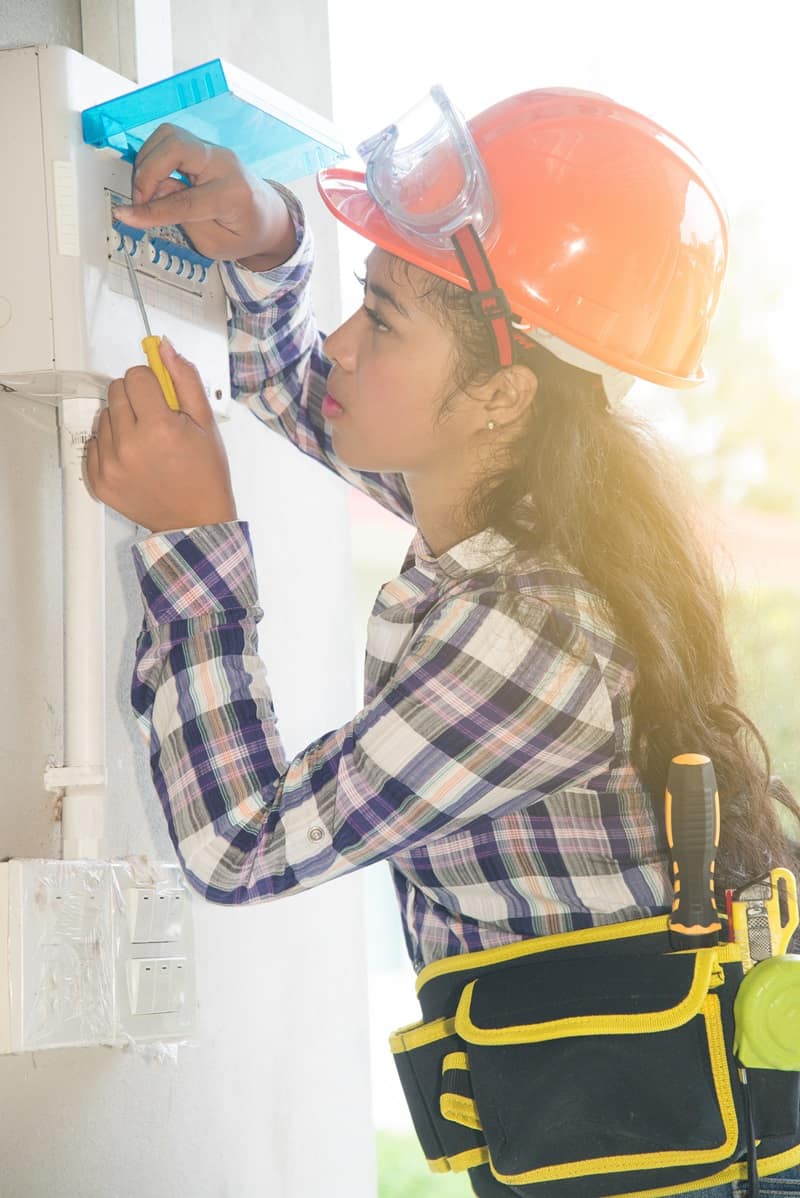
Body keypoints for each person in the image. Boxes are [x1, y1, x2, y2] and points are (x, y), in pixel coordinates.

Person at [84, 87, 800, 1197]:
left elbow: (241, 842)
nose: (342, 341)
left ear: (500, 398)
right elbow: (303, 388)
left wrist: (193, 544)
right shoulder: (511, 511)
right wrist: (269, 234)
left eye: (380, 318)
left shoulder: (536, 630)